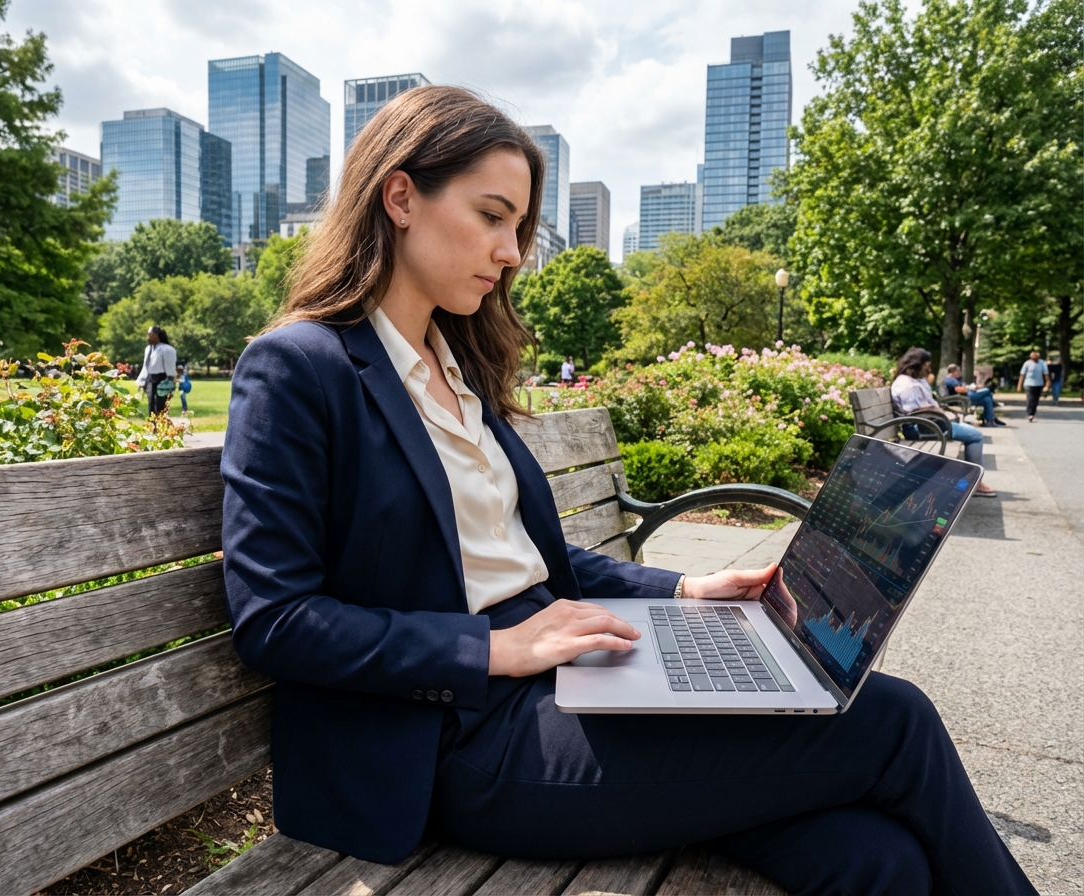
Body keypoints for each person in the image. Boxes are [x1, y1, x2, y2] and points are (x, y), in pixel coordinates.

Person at [220, 86, 1033, 894]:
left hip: (565, 675)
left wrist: (685, 586)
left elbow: (529, 558)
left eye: (520, 228)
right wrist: (494, 649)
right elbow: (277, 620)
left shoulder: (455, 365)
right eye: (492, 216)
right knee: (896, 722)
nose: (511, 252)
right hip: (452, 736)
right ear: (401, 196)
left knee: (872, 860)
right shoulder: (300, 368)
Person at [892, 349, 996, 497]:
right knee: (976, 436)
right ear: (916, 365)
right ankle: (975, 483)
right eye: (926, 366)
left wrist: (939, 411)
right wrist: (938, 411)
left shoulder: (912, 380)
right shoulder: (908, 385)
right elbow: (913, 411)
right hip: (923, 427)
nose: (929, 369)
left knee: (972, 432)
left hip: (928, 424)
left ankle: (973, 481)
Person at [135, 326, 178, 418]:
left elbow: (170, 367)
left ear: (156, 335)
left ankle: (161, 425)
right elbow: (145, 366)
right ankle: (153, 426)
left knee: (161, 404)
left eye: (150, 334)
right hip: (151, 379)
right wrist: (142, 380)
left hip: (163, 378)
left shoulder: (167, 349)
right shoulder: (148, 349)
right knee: (151, 404)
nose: (148, 336)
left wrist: (171, 381)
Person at [1017, 350, 1050, 422]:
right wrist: (1019, 385)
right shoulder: (1027, 363)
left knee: (1035, 400)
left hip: (1038, 384)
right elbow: (1022, 375)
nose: (1035, 360)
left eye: (1036, 358)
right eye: (1033, 358)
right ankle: (1030, 414)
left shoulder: (1042, 363)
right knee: (1030, 399)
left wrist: (1047, 384)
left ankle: (1033, 413)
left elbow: (1046, 374)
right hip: (1029, 384)